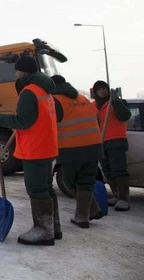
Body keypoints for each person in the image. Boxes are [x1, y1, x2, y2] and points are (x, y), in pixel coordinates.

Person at [0, 55, 59, 246]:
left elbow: (23, 122)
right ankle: (53, 228)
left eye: (17, 70)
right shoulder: (46, 90)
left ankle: (43, 231)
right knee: (46, 188)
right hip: (47, 146)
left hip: (35, 148)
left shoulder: (29, 92)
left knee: (37, 189)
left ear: (24, 72)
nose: (16, 74)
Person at [51, 75, 104, 228]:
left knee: (69, 181)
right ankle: (85, 215)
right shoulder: (83, 99)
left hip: (71, 148)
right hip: (94, 146)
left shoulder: (55, 101)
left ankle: (88, 211)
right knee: (86, 180)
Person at [91, 80, 132, 211]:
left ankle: (123, 198)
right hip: (101, 142)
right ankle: (115, 195)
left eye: (104, 89)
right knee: (107, 170)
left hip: (116, 141)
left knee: (118, 169)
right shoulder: (93, 106)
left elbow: (125, 116)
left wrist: (116, 101)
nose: (102, 91)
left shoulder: (116, 103)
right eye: (99, 89)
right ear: (95, 92)